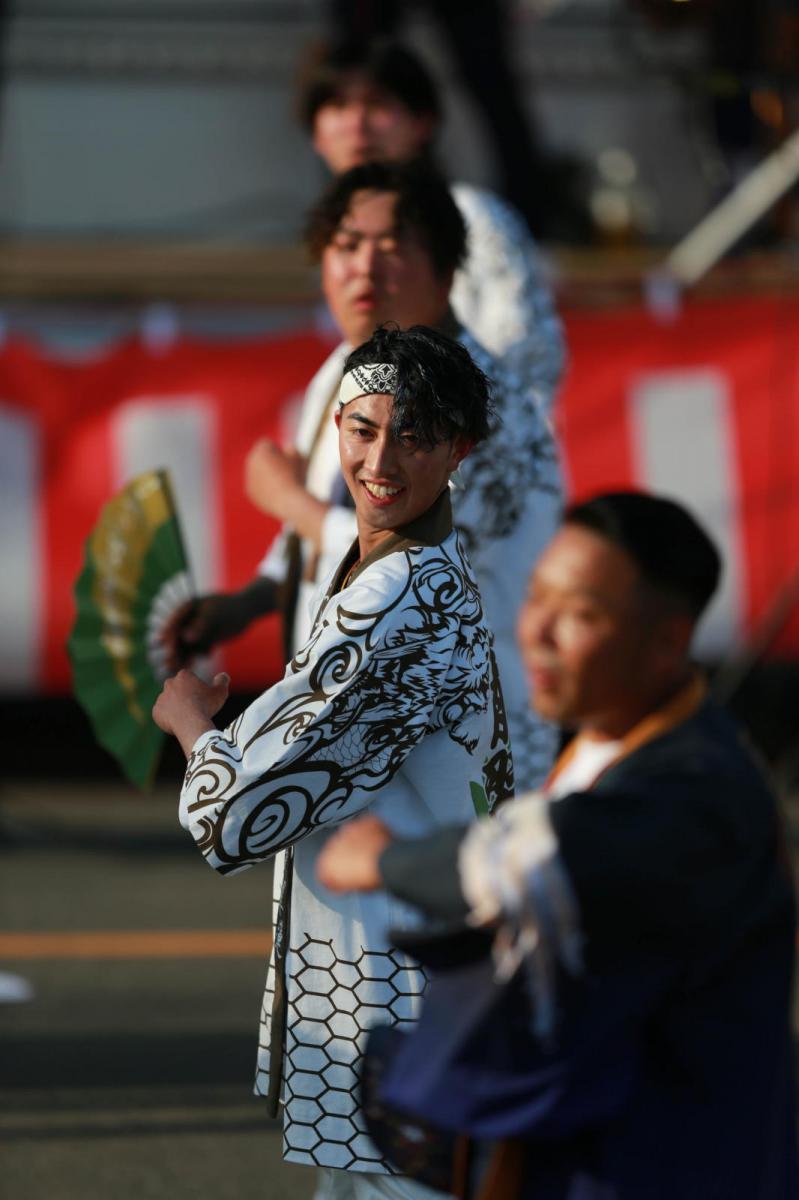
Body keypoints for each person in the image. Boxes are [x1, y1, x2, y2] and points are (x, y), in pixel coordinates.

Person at [317, 491, 798, 1200]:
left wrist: (381, 858)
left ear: (665, 641)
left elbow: (539, 858)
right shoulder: (618, 742)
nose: (536, 628)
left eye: (580, 613)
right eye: (537, 595)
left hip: (674, 1162)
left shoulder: (697, 790)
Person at [152, 324, 514, 1198]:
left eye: (415, 433)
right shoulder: (404, 571)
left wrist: (193, 727)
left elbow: (235, 819)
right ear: (335, 433)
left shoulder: (402, 592)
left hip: (400, 991)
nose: (381, 457)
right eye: (362, 429)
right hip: (398, 980)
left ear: (459, 449)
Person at [171, 161, 563, 791]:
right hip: (365, 725)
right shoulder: (347, 369)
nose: (365, 268)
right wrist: (250, 601)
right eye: (347, 246)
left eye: (393, 248)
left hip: (468, 745)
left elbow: (427, 566)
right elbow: (348, 523)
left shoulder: (490, 402)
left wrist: (289, 501)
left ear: (446, 269)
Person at [298, 37, 565, 400]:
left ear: (423, 122)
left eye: (377, 104)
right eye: (338, 105)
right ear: (315, 131)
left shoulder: (473, 216)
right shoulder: (324, 229)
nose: (357, 124)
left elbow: (526, 360)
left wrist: (423, 438)